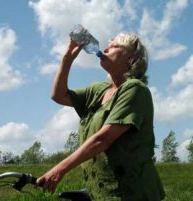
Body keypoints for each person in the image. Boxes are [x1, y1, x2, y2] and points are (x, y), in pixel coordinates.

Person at [36, 33, 166, 201]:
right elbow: (59, 95)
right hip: (100, 193)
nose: (105, 49)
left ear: (132, 58)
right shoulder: (98, 90)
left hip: (132, 192)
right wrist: (67, 58)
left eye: (114, 46)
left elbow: (103, 139)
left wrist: (59, 169)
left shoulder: (135, 89)